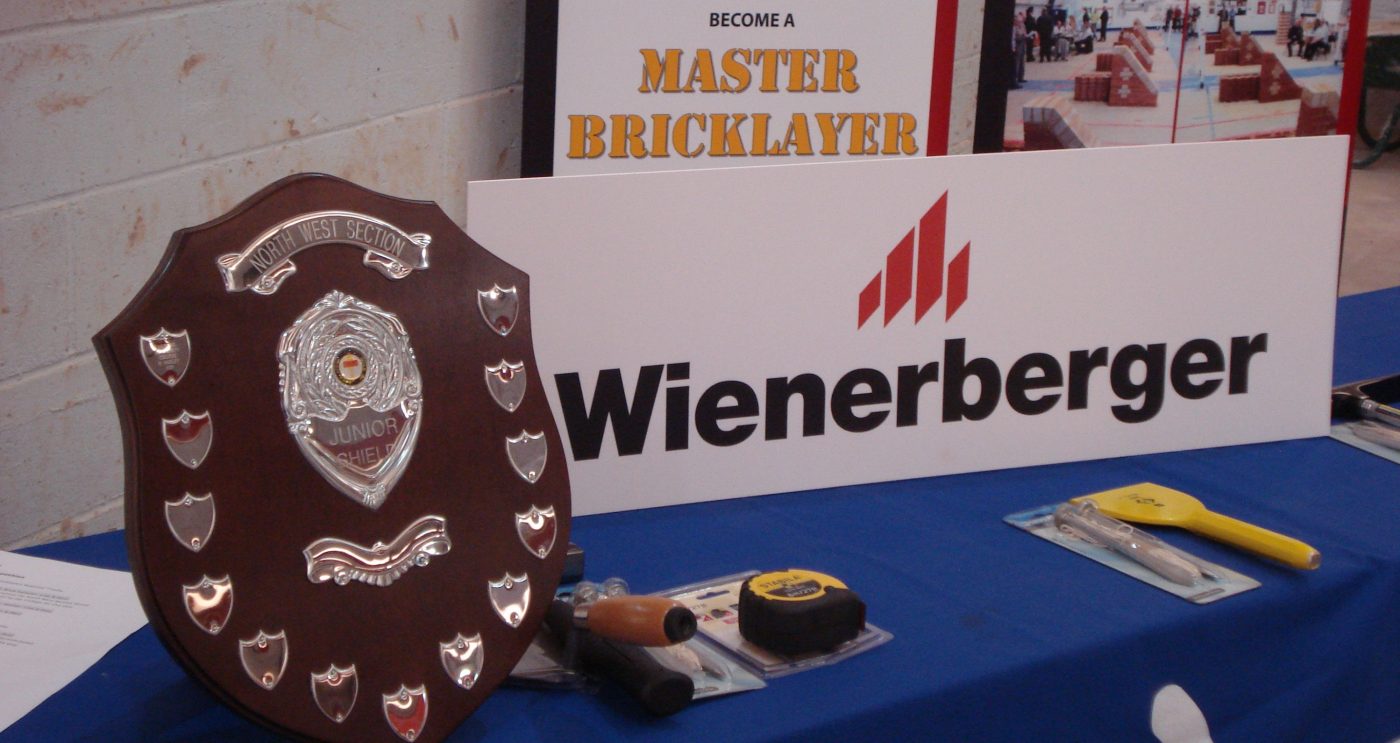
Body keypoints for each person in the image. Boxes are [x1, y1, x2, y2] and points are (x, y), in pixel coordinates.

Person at [1013, 12, 1028, 86]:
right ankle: (1015, 79)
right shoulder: (1014, 27)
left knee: (1022, 62)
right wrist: (1022, 36)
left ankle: (1021, 77)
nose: (1020, 23)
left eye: (1021, 21)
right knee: (1017, 63)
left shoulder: (1023, 25)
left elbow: (1025, 33)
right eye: (1019, 22)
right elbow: (1015, 37)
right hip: (1018, 46)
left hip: (1023, 45)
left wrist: (1024, 35)